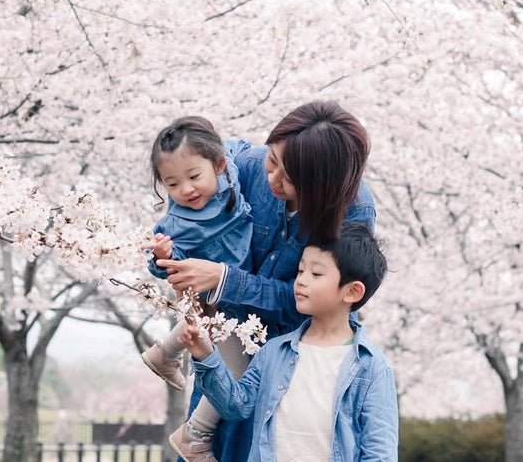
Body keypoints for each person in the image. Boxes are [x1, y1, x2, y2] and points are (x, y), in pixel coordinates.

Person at [155, 101, 377, 461]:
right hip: (224, 348)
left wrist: (226, 279)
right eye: (273, 161)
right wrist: (181, 255)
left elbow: (322, 302)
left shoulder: (353, 213)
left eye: (289, 179)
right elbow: (189, 176)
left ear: (324, 186)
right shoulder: (246, 164)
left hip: (291, 363)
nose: (272, 178)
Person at [179, 221, 399, 461]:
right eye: (300, 271)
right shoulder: (274, 352)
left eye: (316, 274)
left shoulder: (372, 368)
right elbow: (235, 405)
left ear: (352, 292)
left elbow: (380, 453)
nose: (301, 281)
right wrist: (206, 356)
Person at [140, 116, 253, 462]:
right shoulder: (177, 222)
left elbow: (237, 148)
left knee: (222, 346)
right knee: (236, 367)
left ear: (218, 164)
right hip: (213, 296)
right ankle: (196, 434)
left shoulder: (230, 165)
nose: (186, 190)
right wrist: (162, 255)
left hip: (231, 287)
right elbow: (162, 262)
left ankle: (164, 354)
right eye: (172, 184)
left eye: (193, 177)